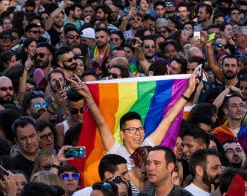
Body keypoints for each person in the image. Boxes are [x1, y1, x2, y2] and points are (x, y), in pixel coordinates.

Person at [70, 72, 198, 169]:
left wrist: (188, 91)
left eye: (140, 129)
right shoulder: (115, 151)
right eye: (132, 130)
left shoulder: (148, 147)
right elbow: (101, 123)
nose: (138, 133)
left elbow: (168, 119)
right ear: (122, 134)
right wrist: (88, 96)